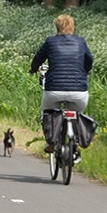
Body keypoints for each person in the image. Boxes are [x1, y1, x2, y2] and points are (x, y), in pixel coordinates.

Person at [29, 13, 94, 146]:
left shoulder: (50, 41)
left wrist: (33, 69)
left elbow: (38, 59)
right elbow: (90, 60)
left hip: (54, 90)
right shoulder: (81, 42)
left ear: (57, 27)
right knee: (77, 112)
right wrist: (86, 70)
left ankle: (51, 142)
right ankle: (75, 143)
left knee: (47, 112)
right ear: (72, 27)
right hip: (78, 92)